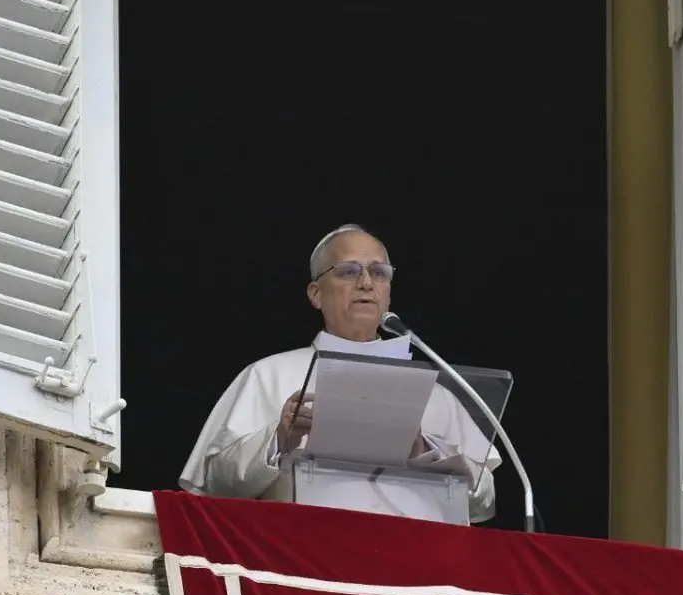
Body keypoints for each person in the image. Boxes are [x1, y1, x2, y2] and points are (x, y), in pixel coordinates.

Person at [179, 224, 499, 523]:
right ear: (316, 294)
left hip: (417, 570)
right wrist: (279, 438)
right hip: (305, 559)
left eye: (378, 272)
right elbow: (216, 486)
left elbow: (483, 503)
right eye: (348, 271)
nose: (366, 283)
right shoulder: (268, 375)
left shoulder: (438, 394)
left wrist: (425, 450)